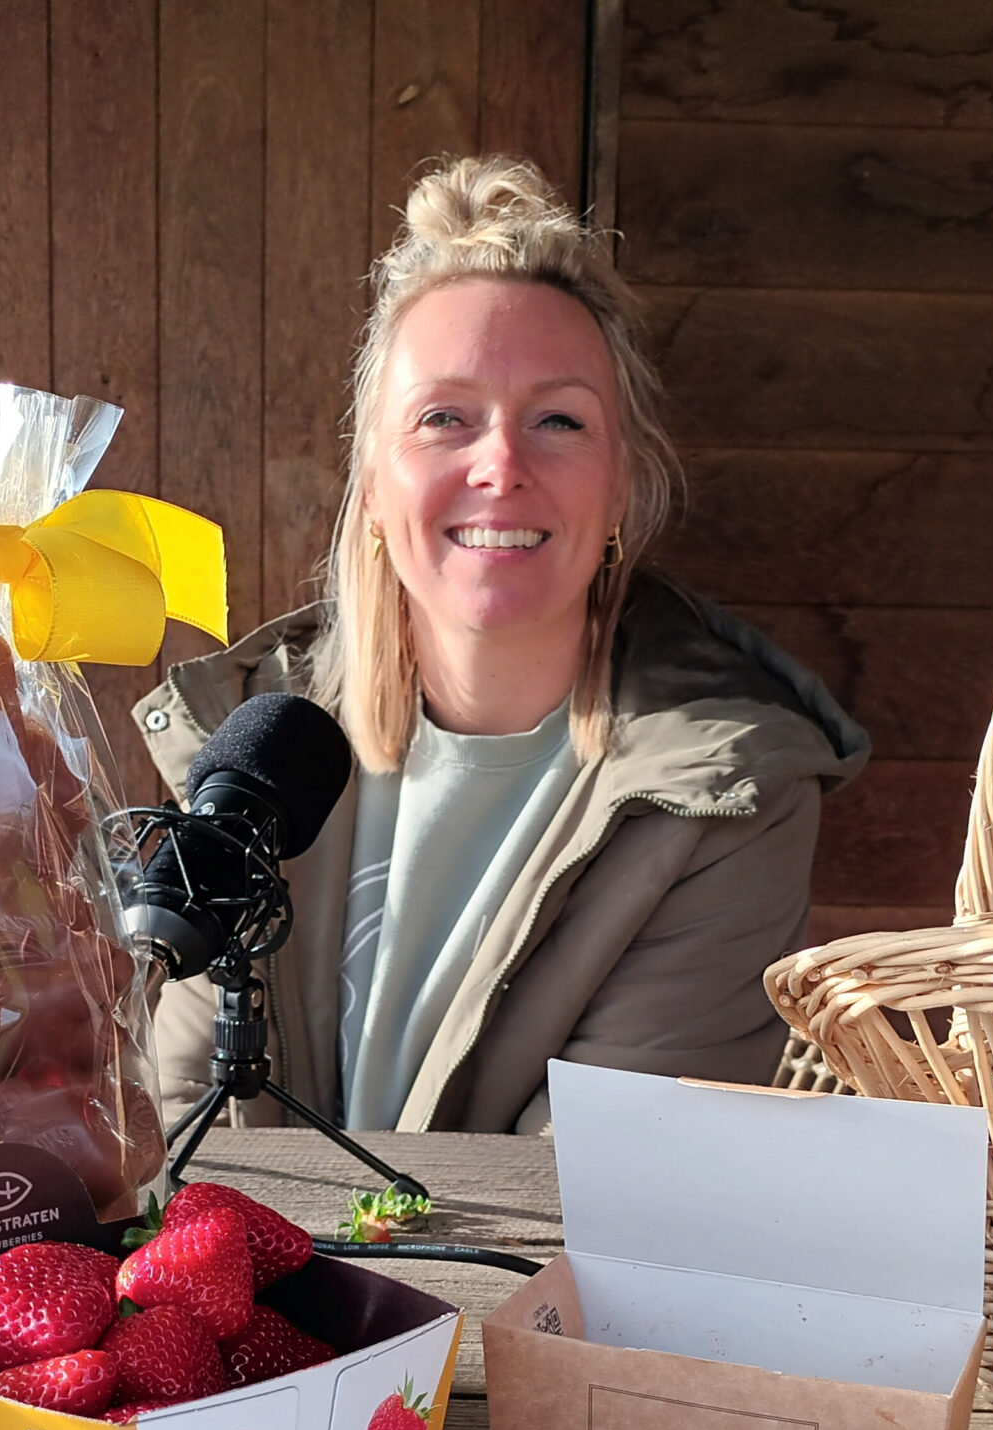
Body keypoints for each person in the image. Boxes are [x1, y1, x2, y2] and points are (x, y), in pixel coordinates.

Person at [133, 155, 868, 1135]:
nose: (501, 466)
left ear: (619, 491)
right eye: (444, 418)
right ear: (376, 491)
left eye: (558, 420)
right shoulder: (252, 745)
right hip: (255, 1286)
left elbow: (591, 1198)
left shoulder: (725, 793)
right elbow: (181, 1124)